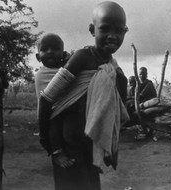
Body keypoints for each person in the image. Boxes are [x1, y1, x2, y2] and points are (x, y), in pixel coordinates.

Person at [38, 1, 129, 189]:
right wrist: (45, 138)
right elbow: (47, 98)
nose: (112, 36)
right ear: (92, 30)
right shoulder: (82, 57)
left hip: (88, 141)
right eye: (105, 29)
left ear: (125, 32)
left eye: (119, 31)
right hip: (68, 141)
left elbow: (116, 102)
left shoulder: (112, 64)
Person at [33, 33, 69, 137]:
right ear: (38, 57)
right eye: (44, 49)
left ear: (64, 54)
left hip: (70, 119)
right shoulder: (40, 75)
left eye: (55, 48)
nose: (50, 52)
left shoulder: (68, 71)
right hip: (51, 119)